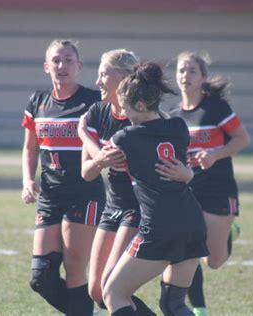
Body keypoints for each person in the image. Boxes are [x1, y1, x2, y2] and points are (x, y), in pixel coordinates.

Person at [102, 62, 208, 316]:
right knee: (174, 305)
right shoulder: (178, 128)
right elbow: (182, 169)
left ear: (139, 105)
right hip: (192, 222)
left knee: (113, 294)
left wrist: (84, 132)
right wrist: (190, 173)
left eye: (125, 107)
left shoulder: (125, 137)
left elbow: (94, 167)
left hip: (159, 227)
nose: (124, 114)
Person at [21, 39, 106, 315]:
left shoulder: (94, 102)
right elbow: (30, 148)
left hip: (84, 194)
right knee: (41, 277)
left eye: (68, 60)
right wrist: (27, 180)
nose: (62, 65)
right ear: (46, 67)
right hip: (49, 196)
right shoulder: (37, 101)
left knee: (74, 273)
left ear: (79, 66)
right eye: (56, 60)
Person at [166, 51, 250, 316]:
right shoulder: (173, 115)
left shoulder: (216, 108)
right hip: (187, 190)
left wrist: (215, 154)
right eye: (181, 70)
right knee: (186, 247)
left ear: (203, 77)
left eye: (191, 71)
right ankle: (199, 308)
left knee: (213, 261)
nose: (185, 76)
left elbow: (242, 139)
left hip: (218, 189)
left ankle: (229, 233)